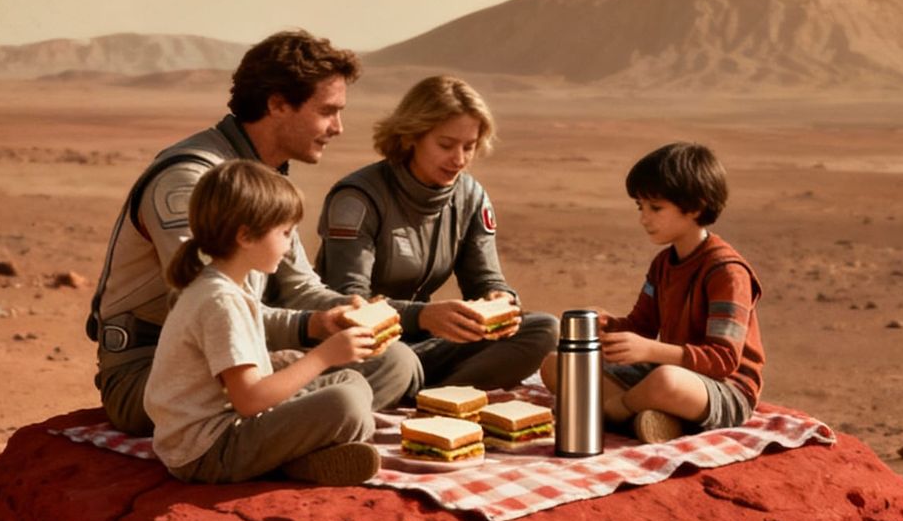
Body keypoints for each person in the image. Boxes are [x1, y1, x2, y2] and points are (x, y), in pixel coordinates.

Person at [88, 28, 420, 434]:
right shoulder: (190, 182)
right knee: (349, 392)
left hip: (241, 357)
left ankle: (299, 432)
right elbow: (210, 309)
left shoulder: (261, 179)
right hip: (159, 373)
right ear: (277, 104)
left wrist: (354, 314)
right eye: (327, 111)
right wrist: (311, 327)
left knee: (394, 361)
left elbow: (301, 289)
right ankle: (270, 441)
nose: (338, 127)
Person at [144, 161, 384, 485]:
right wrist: (324, 356)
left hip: (233, 426)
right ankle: (292, 462)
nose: (289, 245)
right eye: (285, 233)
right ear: (245, 236)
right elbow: (249, 400)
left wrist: (308, 347)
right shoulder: (219, 301)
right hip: (206, 450)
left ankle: (299, 461)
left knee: (352, 381)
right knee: (346, 404)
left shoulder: (228, 286)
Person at [315, 74, 557, 391]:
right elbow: (348, 301)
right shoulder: (358, 198)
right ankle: (432, 392)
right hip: (365, 346)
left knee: (543, 329)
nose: (459, 159)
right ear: (411, 136)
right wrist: (422, 316)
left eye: (469, 147)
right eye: (445, 145)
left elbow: (485, 279)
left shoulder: (471, 197)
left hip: (428, 345)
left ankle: (438, 398)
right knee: (399, 360)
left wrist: (500, 300)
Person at [542, 141, 763, 444]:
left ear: (696, 207)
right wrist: (605, 325)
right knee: (558, 365)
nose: (644, 218)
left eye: (655, 208)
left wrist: (651, 351)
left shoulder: (727, 272)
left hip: (723, 390)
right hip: (667, 370)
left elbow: (723, 360)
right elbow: (642, 327)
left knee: (665, 381)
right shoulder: (663, 264)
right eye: (640, 207)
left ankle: (615, 413)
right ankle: (651, 420)